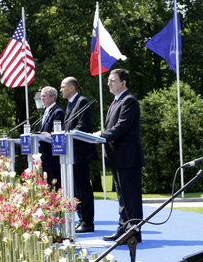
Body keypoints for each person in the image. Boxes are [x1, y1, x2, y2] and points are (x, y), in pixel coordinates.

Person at [93, 69, 145, 243]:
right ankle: (124, 229)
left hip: (128, 159)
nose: (109, 83)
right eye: (108, 80)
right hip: (118, 158)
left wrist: (101, 134)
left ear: (124, 82)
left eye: (113, 80)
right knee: (123, 197)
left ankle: (133, 233)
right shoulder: (117, 101)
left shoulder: (129, 100)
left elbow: (121, 127)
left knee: (131, 198)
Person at [60, 77, 98, 233]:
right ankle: (82, 219)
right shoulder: (70, 104)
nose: (61, 89)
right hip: (72, 153)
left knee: (83, 189)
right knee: (76, 190)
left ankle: (88, 222)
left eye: (63, 86)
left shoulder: (82, 101)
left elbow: (83, 126)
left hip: (80, 153)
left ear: (72, 88)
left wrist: (65, 133)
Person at [39, 86, 65, 190]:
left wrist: (48, 134)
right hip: (44, 156)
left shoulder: (58, 112)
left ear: (52, 97)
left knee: (55, 186)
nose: (42, 98)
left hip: (52, 156)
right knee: (46, 186)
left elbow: (56, 133)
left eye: (44, 96)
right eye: (41, 96)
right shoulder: (46, 112)